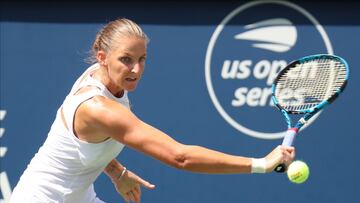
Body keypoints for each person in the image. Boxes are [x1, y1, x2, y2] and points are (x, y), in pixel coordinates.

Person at [10, 18, 295, 203]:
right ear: (102, 57)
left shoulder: (99, 76)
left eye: (142, 59)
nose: (136, 70)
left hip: (78, 195)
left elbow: (85, 145)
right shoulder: (99, 108)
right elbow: (179, 157)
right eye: (126, 60)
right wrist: (260, 164)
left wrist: (117, 173)